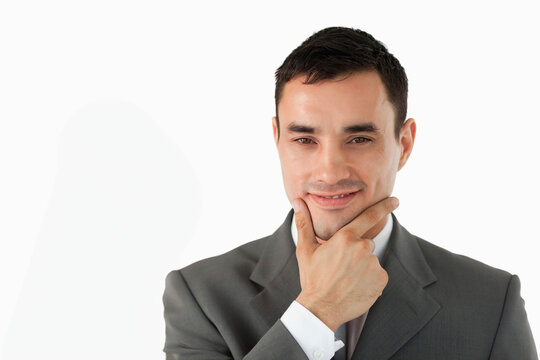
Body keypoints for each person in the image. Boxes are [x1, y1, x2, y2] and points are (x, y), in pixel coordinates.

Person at [162, 26, 537, 359]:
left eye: (359, 138)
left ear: (403, 144)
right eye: (304, 138)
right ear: (277, 140)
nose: (329, 171)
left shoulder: (490, 301)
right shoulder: (201, 296)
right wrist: (316, 313)